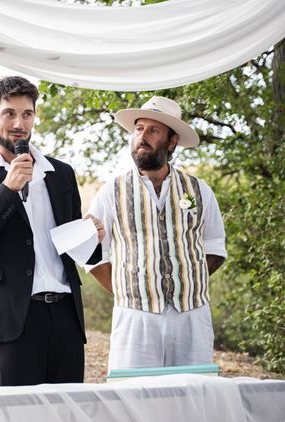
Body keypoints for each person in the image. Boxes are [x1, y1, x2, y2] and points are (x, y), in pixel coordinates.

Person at [0, 76, 104, 387]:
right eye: (9, 113)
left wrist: (91, 236)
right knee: (18, 420)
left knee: (66, 414)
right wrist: (7, 189)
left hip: (65, 314)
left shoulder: (60, 173)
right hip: (12, 316)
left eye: (27, 114)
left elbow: (72, 246)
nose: (19, 123)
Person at [87, 96, 227, 371]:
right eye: (139, 129)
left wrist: (184, 280)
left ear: (171, 141)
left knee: (193, 395)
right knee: (134, 399)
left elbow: (215, 246)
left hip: (192, 316)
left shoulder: (199, 190)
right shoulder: (111, 192)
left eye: (153, 131)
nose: (142, 136)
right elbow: (93, 257)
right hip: (135, 319)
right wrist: (131, 291)